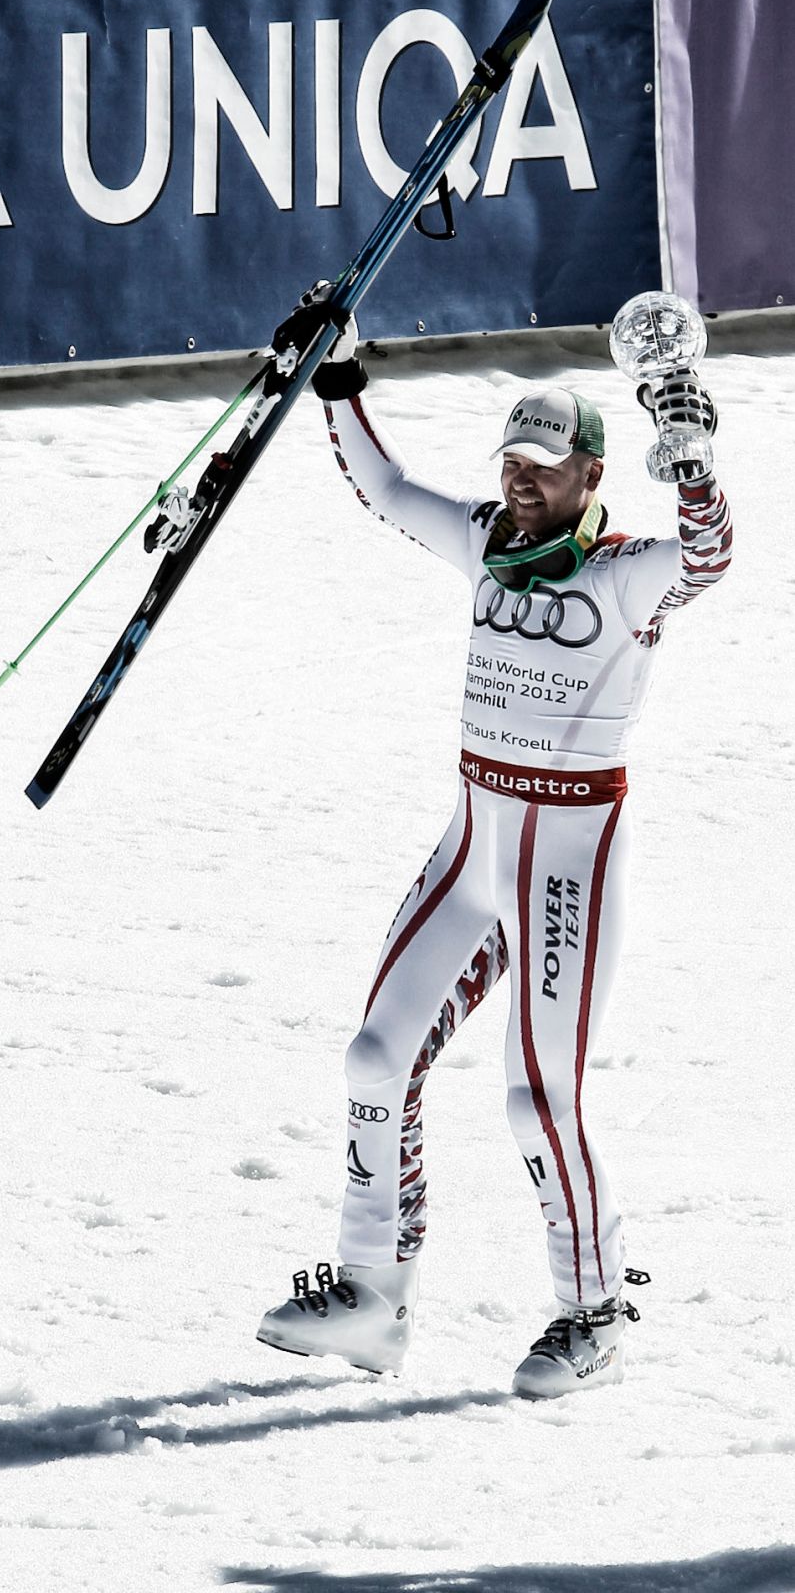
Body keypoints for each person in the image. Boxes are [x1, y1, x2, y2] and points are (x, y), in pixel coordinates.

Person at [255, 293, 733, 1398]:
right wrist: (339, 375)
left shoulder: (622, 576)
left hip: (566, 866)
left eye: (543, 465)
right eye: (510, 458)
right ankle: (371, 1298)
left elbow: (708, 557)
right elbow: (380, 487)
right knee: (375, 1058)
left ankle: (592, 1309)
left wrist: (693, 451)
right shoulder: (480, 542)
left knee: (536, 1096)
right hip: (470, 848)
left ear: (587, 480)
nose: (518, 479)